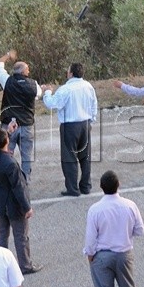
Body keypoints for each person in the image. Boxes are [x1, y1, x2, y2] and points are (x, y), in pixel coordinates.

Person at [83, 170, 144, 287]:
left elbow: (90, 238)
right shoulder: (130, 205)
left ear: (101, 187)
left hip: (102, 256)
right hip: (124, 254)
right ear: (118, 185)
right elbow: (140, 230)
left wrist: (90, 254)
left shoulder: (95, 209)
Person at [0, 128, 40, 273]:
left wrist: (7, 133)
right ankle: (25, 265)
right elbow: (18, 188)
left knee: (2, 232)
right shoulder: (10, 164)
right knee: (21, 236)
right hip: (13, 205)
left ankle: (1, 264)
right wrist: (27, 207)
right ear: (7, 142)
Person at [42, 63, 99, 197]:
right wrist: (91, 120)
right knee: (85, 157)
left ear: (71, 73)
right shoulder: (88, 86)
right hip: (85, 123)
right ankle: (85, 186)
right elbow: (94, 104)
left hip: (70, 125)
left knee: (69, 158)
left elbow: (52, 104)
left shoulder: (66, 89)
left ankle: (72, 188)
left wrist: (47, 92)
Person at [0, 50, 41, 181]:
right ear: (23, 72)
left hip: (8, 125)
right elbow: (39, 94)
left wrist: (8, 55)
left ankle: (8, 179)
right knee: (26, 156)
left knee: (6, 154)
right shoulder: (33, 85)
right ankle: (25, 180)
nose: (29, 72)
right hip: (26, 125)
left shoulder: (7, 81)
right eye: (28, 69)